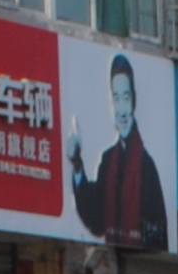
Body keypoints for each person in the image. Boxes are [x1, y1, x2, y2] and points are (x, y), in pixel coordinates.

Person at [69, 55, 169, 254]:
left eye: (126, 97)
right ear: (111, 103)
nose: (122, 110)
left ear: (134, 100)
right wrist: (77, 164)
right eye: (116, 98)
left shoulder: (147, 166)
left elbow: (159, 235)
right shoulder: (108, 161)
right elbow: (96, 220)